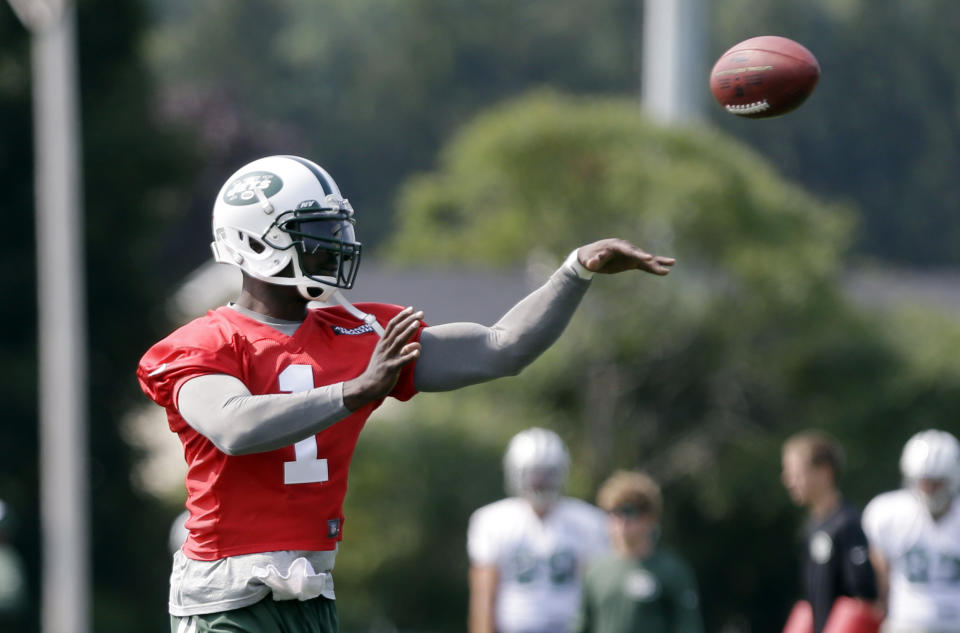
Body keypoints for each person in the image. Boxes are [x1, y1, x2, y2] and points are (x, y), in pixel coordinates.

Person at [136, 155, 675, 633]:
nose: (332, 243)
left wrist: (575, 271)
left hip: (311, 590)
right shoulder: (202, 343)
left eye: (333, 226)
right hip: (227, 593)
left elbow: (501, 347)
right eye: (311, 230)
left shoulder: (359, 332)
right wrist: (354, 391)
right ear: (254, 241)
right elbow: (235, 427)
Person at [466, 427, 609, 633]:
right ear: (516, 473)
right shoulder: (491, 520)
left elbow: (597, 591)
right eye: (534, 474)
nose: (540, 482)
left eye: (547, 474)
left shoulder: (588, 521)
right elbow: (483, 595)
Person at [574, 470, 703, 633]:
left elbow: (688, 626)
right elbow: (583, 625)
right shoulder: (595, 571)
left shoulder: (672, 570)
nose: (621, 521)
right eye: (614, 512)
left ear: (650, 518)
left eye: (629, 511)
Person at [862, 429, 960, 633]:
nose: (930, 490)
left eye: (937, 483)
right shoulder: (888, 513)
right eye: (925, 482)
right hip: (906, 623)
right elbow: (880, 573)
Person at [780, 430, 878, 633]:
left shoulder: (848, 524)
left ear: (824, 471)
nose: (788, 480)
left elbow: (863, 599)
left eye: (795, 473)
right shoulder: (810, 528)